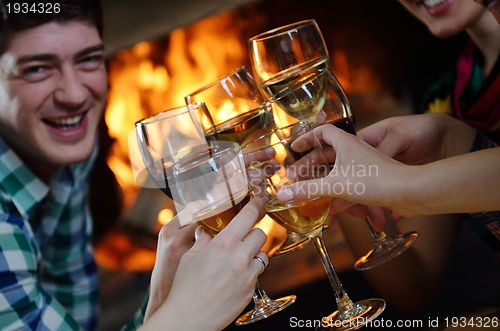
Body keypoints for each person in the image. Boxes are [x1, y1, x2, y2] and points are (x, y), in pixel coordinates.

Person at [0, 1, 268, 330]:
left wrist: (166, 295)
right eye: (36, 69)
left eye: (89, 60)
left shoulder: (66, 157)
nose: (74, 95)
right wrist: (188, 318)